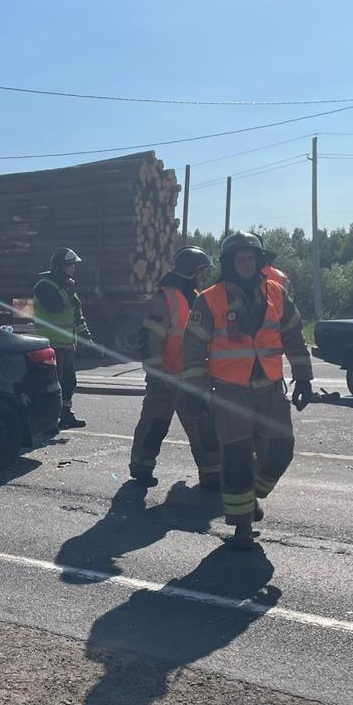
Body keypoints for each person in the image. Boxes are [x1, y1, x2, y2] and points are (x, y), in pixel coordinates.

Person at [181, 232, 313, 547]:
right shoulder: (209, 298)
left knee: (281, 450)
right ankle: (242, 526)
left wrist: (304, 377)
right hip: (229, 391)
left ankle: (251, 495)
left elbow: (294, 336)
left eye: (251, 257)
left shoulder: (276, 293)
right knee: (237, 457)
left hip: (269, 387)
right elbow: (193, 346)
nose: (246, 262)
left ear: (258, 261)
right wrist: (193, 389)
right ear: (229, 262)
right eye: (239, 257)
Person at [128, 246, 221, 489]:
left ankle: (211, 473)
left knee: (203, 426)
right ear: (191, 272)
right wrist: (156, 373)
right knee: (155, 425)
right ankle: (141, 467)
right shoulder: (166, 297)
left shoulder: (195, 297)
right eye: (202, 272)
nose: (204, 277)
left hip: (191, 377)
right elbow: (151, 340)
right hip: (166, 377)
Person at [34, 247, 92, 429]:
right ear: (60, 267)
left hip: (67, 344)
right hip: (51, 345)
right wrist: (66, 287)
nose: (73, 269)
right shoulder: (44, 285)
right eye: (70, 265)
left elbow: (77, 315)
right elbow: (56, 306)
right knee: (53, 385)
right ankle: (48, 420)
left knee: (69, 382)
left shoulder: (68, 287)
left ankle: (65, 414)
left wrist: (86, 338)